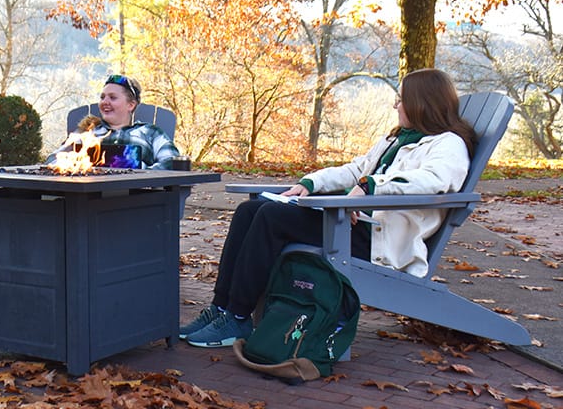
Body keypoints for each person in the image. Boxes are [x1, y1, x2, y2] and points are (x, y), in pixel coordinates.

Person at [181, 68, 476, 348]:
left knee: (271, 217)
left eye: (401, 100)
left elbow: (431, 181)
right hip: (352, 223)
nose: (396, 106)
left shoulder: (449, 145)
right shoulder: (397, 139)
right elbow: (355, 170)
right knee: (251, 210)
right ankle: (221, 308)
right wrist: (310, 183)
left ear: (421, 104)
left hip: (380, 238)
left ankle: (238, 317)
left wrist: (371, 186)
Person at [48, 74, 181, 170]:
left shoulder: (150, 133)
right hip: (91, 199)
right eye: (102, 97)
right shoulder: (88, 132)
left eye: (112, 97)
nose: (105, 102)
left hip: (138, 198)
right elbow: (54, 158)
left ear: (131, 105)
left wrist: (142, 173)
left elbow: (172, 161)